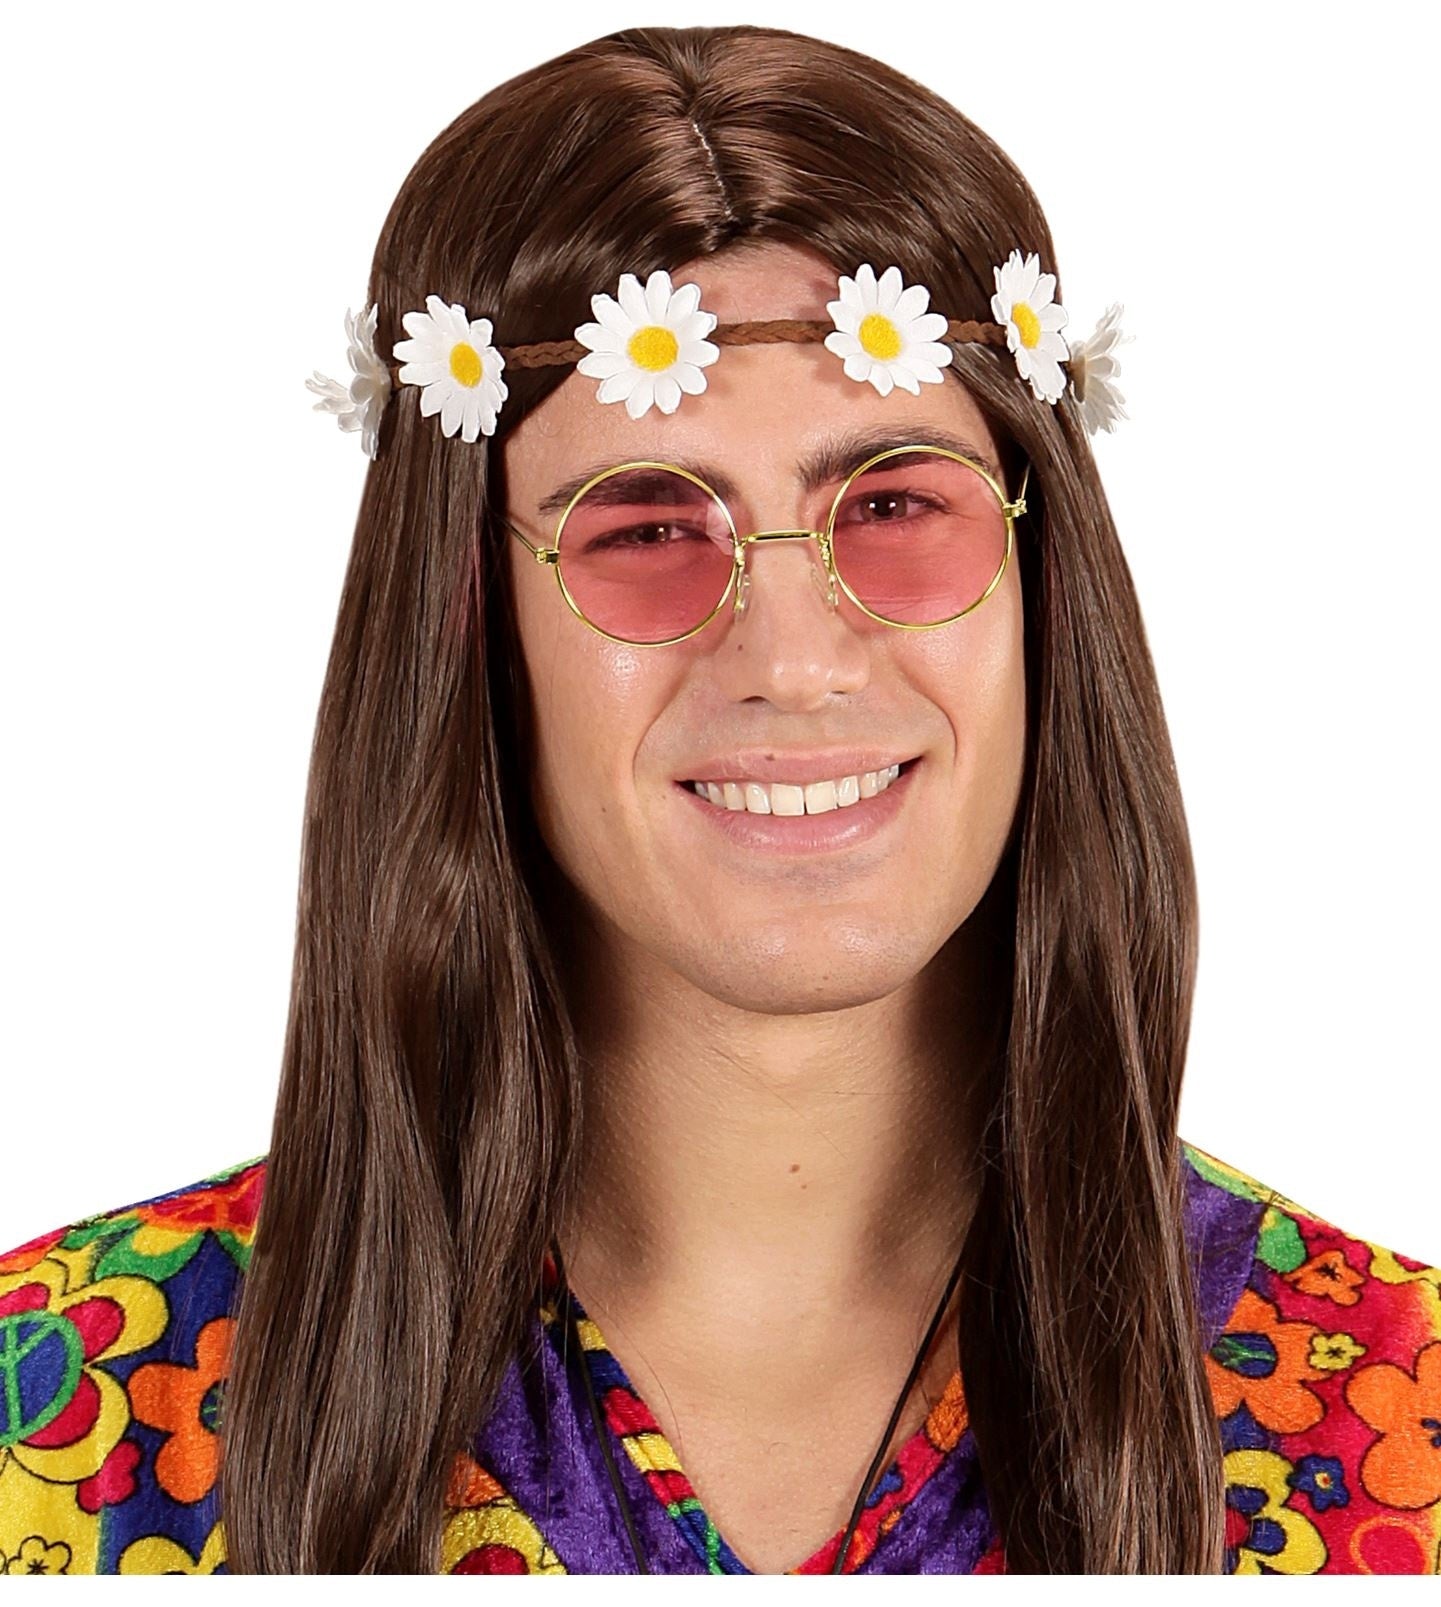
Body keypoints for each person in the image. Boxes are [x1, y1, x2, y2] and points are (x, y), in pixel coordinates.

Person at [1, 23, 1436, 1578]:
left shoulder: (1395, 1412)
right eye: (641, 530)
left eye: (893, 503)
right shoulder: (59, 1411)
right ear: (467, 615)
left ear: (1039, 577)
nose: (794, 662)